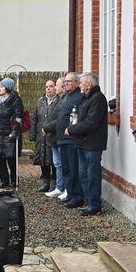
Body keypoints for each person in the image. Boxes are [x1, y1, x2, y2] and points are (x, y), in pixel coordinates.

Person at [64, 73, 108, 216]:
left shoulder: (98, 99)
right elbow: (77, 117)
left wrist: (71, 129)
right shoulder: (84, 98)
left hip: (93, 144)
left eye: (81, 82)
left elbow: (91, 123)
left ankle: (95, 205)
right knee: (83, 175)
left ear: (89, 84)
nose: (79, 85)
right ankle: (89, 201)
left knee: (92, 175)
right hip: (82, 142)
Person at [0, 78, 24, 188]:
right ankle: (4, 180)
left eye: (1, 86)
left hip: (10, 133)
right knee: (0, 158)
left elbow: (18, 117)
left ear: (7, 87)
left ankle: (14, 180)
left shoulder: (16, 100)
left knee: (11, 158)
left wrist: (14, 133)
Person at [54, 72, 82, 204]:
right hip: (62, 139)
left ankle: (76, 196)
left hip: (71, 139)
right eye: (65, 82)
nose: (65, 84)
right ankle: (70, 193)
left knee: (73, 169)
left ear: (76, 83)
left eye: (68, 81)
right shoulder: (66, 96)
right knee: (66, 168)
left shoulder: (78, 97)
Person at [30, 79, 60, 193]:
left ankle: (55, 182)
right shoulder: (40, 101)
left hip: (53, 134)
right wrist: (33, 134)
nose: (48, 88)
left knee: (54, 159)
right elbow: (35, 118)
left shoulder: (58, 101)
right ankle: (45, 182)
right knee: (42, 158)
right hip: (40, 135)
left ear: (55, 88)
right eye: (47, 86)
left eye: (51, 86)